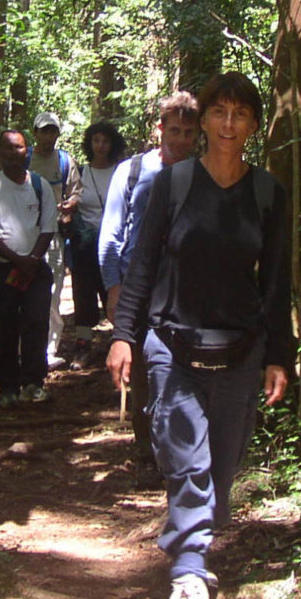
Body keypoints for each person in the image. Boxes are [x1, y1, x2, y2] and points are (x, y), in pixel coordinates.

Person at [106, 73, 292, 599]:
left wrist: (279, 356)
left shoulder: (268, 193)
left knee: (220, 471)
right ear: (204, 120)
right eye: (219, 112)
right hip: (173, 347)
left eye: (241, 114)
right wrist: (124, 336)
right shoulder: (175, 183)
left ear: (254, 125)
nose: (229, 124)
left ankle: (194, 554)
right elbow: (141, 265)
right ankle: (188, 587)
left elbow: (277, 282)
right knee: (186, 466)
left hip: (240, 351)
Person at [98, 91, 200, 487]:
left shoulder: (203, 174)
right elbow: (111, 233)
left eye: (189, 133)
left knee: (180, 372)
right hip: (137, 289)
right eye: (174, 131)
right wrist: (113, 288)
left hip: (185, 292)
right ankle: (148, 453)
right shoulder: (133, 171)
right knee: (139, 374)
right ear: (160, 129)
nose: (181, 140)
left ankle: (177, 453)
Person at [0, 128, 58, 406]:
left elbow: (48, 226)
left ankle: (33, 384)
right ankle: (8, 387)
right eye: (7, 148)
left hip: (35, 271)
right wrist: (18, 261)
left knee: (36, 325)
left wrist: (31, 261)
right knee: (3, 328)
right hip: (2, 270)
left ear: (26, 150)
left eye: (18, 148)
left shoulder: (40, 186)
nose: (13, 153)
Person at [29, 111, 80, 370]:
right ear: (35, 133)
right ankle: (24, 350)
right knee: (23, 293)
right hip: (24, 235)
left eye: (52, 131)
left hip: (54, 237)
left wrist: (69, 208)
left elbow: (76, 193)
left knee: (52, 293)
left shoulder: (64, 161)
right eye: (44, 131)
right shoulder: (24, 159)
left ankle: (49, 351)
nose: (48, 136)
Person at [70, 120, 127, 339]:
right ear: (89, 143)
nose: (101, 145)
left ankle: (120, 341)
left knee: (114, 292)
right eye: (96, 140)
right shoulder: (80, 172)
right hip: (85, 245)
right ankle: (83, 344)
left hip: (114, 246)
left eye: (105, 141)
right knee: (83, 296)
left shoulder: (120, 171)